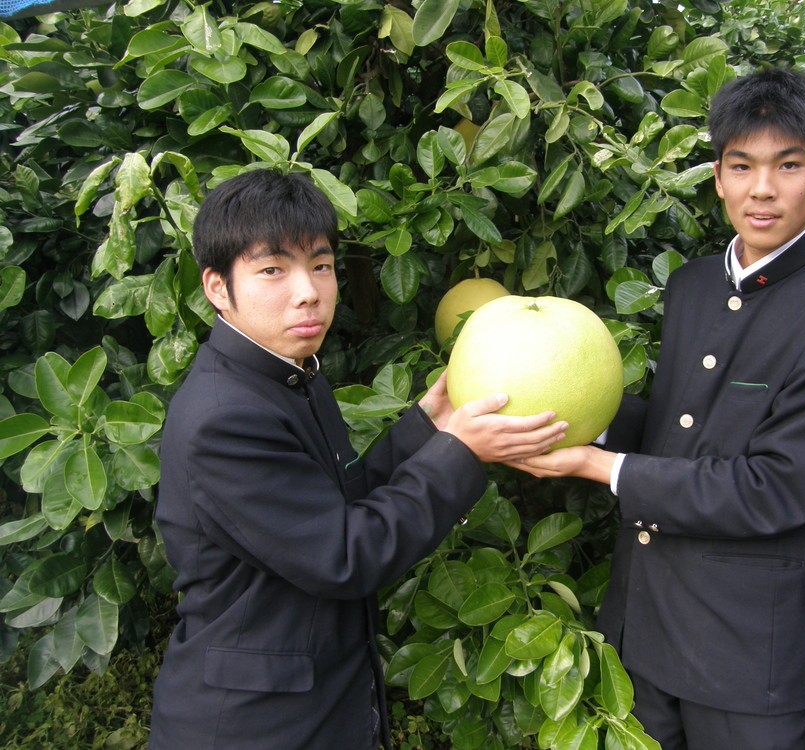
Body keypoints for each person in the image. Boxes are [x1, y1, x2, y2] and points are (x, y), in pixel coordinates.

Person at [511, 68, 805, 749]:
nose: (762, 188)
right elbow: (677, 431)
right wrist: (575, 419)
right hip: (644, 631)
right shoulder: (693, 285)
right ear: (718, 177)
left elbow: (779, 489)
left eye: (788, 165)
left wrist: (601, 467)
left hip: (747, 653)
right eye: (742, 165)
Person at [148, 169, 568, 749]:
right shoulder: (225, 417)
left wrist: (428, 425)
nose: (308, 291)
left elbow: (341, 505)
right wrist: (462, 452)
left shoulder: (290, 374)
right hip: (255, 725)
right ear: (218, 288)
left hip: (318, 703)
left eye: (320, 265)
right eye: (273, 270)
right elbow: (345, 554)